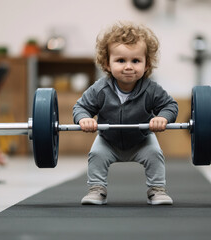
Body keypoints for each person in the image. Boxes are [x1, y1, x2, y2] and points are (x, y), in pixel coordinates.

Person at [73, 21, 178, 205]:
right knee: (96, 155)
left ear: (147, 64)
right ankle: (97, 189)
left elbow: (170, 106)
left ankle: (157, 190)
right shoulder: (100, 89)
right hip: (108, 140)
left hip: (142, 140)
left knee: (155, 154)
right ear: (107, 63)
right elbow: (80, 107)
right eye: (121, 60)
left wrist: (163, 117)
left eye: (135, 61)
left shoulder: (151, 89)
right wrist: (84, 119)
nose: (128, 66)